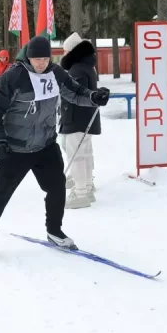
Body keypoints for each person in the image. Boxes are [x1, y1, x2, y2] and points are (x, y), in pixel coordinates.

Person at [0, 36, 110, 259]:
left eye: (45, 58)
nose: (41, 63)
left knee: (56, 187)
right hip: (16, 148)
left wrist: (94, 97)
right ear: (29, 57)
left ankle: (54, 231)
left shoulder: (56, 74)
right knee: (0, 194)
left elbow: (75, 92)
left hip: (45, 146)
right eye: (37, 59)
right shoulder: (14, 77)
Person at [59, 33, 101, 209]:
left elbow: (75, 94)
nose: (64, 53)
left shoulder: (76, 70)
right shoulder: (86, 66)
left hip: (76, 118)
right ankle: (87, 187)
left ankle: (81, 191)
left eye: (66, 50)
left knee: (75, 155)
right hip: (85, 118)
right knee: (84, 153)